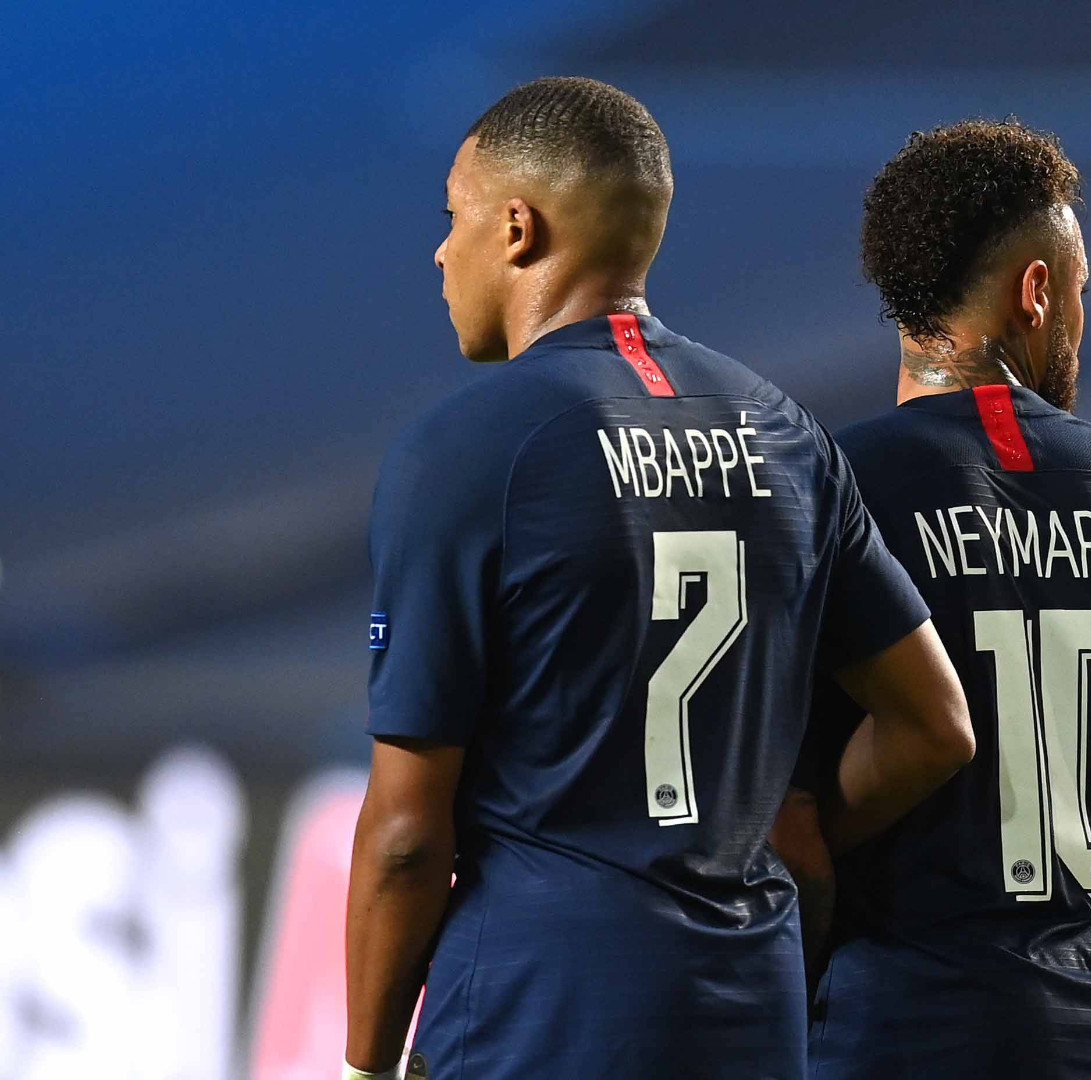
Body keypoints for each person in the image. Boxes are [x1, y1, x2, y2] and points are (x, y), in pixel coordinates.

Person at [341, 77, 973, 1080]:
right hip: (748, 1014)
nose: (441, 252)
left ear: (517, 229)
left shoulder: (462, 451)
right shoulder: (786, 435)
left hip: (537, 1016)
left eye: (453, 217)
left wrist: (367, 1066)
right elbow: (935, 726)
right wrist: (779, 835)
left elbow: (408, 838)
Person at [784, 120, 1091, 1080]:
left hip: (898, 1029)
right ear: (1037, 291)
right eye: (1081, 292)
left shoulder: (832, 489)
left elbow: (789, 824)